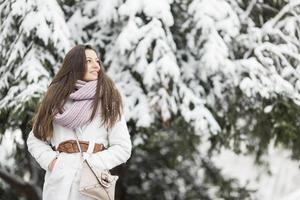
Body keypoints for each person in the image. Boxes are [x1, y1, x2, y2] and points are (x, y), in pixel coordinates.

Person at [26, 44, 132, 200]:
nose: (96, 65)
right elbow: (35, 139)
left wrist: (92, 163)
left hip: (93, 180)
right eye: (89, 61)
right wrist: (53, 163)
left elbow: (123, 147)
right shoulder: (55, 100)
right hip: (60, 181)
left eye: (97, 61)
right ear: (74, 65)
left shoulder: (109, 99)